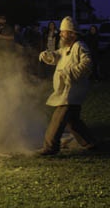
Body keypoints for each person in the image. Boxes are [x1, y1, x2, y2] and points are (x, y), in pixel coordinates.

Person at [37, 16, 98, 156]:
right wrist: (49, 55)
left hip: (72, 90)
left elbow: (87, 64)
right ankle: (89, 141)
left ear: (72, 33)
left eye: (63, 32)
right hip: (68, 90)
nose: (61, 34)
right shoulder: (67, 47)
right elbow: (59, 55)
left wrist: (69, 72)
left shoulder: (80, 47)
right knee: (73, 121)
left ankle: (50, 147)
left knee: (58, 118)